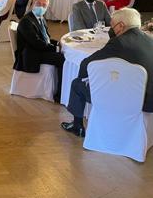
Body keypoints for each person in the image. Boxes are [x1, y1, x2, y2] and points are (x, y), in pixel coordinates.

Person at [61, 8, 153, 137]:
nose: (112, 29)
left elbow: (87, 63)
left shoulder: (119, 42)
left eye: (113, 25)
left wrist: (86, 80)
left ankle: (77, 126)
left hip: (133, 101)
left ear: (121, 25)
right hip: (149, 99)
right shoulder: (149, 39)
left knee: (77, 85)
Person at [13, 0, 65, 101]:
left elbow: (46, 39)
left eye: (44, 5)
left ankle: (60, 90)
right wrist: (54, 48)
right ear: (32, 5)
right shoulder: (26, 21)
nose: (41, 7)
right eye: (38, 4)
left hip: (38, 50)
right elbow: (36, 43)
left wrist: (57, 43)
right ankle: (60, 94)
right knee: (61, 59)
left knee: (62, 54)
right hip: (31, 54)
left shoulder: (40, 18)